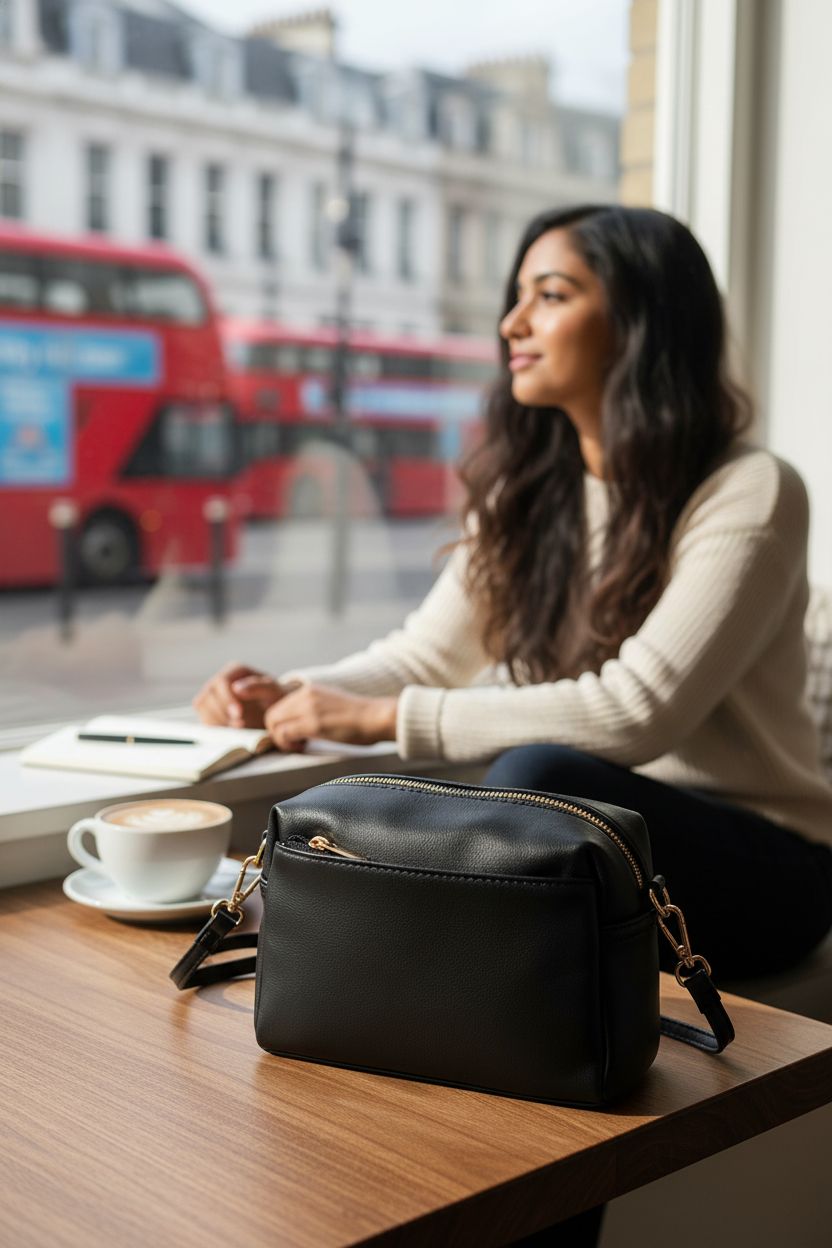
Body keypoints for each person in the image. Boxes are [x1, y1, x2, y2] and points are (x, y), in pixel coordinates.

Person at [195, 204, 832, 984]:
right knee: (480, 799)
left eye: (552, 295)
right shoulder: (529, 492)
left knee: (536, 781)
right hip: (616, 842)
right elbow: (430, 654)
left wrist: (381, 720)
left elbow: (638, 711)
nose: (511, 323)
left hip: (769, 868)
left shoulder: (751, 490)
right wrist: (294, 692)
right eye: (517, 296)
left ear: (643, 323)